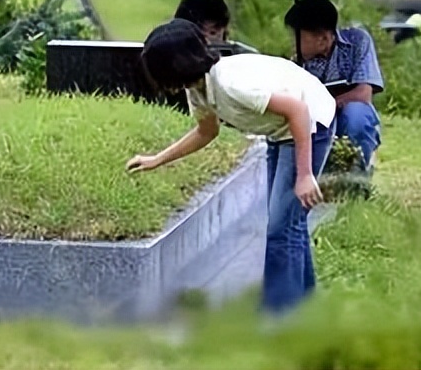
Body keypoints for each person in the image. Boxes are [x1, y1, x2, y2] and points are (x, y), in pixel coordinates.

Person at [126, 19, 336, 313]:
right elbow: (206, 132)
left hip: (309, 122)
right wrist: (156, 159)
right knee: (288, 222)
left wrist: (304, 175)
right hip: (281, 132)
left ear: (176, 64)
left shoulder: (231, 83)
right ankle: (302, 308)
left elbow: (298, 110)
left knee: (280, 228)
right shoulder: (199, 87)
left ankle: (278, 319)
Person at [284, 0, 383, 171]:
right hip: (314, 124)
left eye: (298, 38)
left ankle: (357, 174)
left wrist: (327, 103)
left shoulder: (358, 42)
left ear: (322, 40)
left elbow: (363, 93)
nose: (293, 43)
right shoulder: (296, 63)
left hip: (348, 117)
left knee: (356, 114)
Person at [174, 0, 258, 56]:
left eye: (212, 33)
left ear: (224, 29)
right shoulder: (171, 57)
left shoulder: (246, 58)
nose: (207, 42)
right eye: (197, 35)